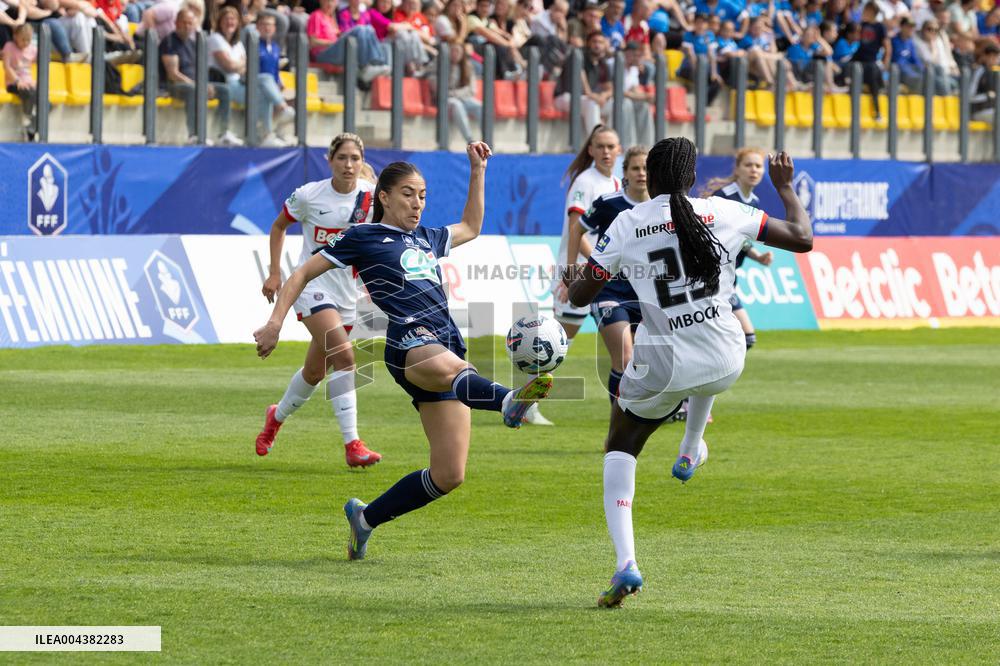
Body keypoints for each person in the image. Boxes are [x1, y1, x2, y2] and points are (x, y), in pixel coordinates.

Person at [253, 142, 555, 560]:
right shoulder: (363, 236)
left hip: (446, 338)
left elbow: (471, 225)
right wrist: (275, 323)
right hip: (408, 339)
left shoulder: (429, 238)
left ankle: (365, 519)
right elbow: (303, 272)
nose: (417, 203)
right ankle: (507, 400)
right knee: (452, 369)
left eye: (423, 195)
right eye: (409, 194)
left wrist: (477, 170)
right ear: (384, 196)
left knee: (449, 475)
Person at [564, 138, 812, 608]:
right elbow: (802, 238)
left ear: (650, 177)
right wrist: (785, 187)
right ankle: (690, 446)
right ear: (692, 176)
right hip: (727, 356)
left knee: (620, 444)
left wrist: (577, 277)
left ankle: (626, 563)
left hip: (665, 366)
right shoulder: (722, 211)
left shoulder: (628, 222)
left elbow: (580, 297)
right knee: (703, 372)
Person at [256, 133, 383, 468]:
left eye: (355, 158)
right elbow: (279, 226)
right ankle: (353, 444)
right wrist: (273, 273)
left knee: (314, 372)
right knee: (345, 359)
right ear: (330, 160)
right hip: (312, 286)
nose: (348, 165)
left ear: (362, 161)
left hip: (347, 293)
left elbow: (381, 240)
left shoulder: (371, 199)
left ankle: (276, 417)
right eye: (342, 158)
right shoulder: (309, 195)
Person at [577, 145, 649, 409]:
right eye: (636, 168)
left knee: (648, 360)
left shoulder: (659, 208)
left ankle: (648, 410)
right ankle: (619, 418)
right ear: (626, 173)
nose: (642, 173)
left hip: (644, 294)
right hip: (607, 291)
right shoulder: (609, 203)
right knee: (625, 358)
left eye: (646, 168)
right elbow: (578, 230)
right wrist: (588, 266)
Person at [552, 124, 621, 342]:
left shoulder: (617, 184)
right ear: (591, 150)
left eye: (610, 147)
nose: (606, 152)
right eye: (600, 147)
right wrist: (599, 261)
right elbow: (576, 229)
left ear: (619, 149)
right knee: (558, 344)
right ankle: (534, 375)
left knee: (626, 339)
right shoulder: (585, 181)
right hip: (581, 270)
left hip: (604, 271)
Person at [161, 7, 242, 146]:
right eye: (184, 22)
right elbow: (173, 74)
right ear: (176, 23)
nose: (187, 26)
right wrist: (199, 86)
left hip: (194, 83)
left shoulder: (193, 44)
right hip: (174, 86)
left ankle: (223, 133)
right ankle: (194, 135)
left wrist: (205, 84)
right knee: (193, 91)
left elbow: (200, 70)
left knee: (225, 90)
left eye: (190, 23)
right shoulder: (170, 41)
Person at [209, 6, 288, 147]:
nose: (229, 22)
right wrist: (240, 65)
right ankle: (281, 108)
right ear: (219, 22)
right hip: (224, 84)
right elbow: (228, 66)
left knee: (264, 92)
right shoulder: (215, 38)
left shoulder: (238, 43)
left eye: (233, 19)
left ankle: (265, 135)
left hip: (239, 82)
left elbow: (247, 66)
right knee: (265, 79)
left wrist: (238, 65)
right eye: (226, 19)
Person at [307, 0, 389, 84]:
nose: (330, 4)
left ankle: (376, 64)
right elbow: (312, 42)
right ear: (321, 2)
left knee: (369, 29)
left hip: (334, 50)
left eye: (332, 2)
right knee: (360, 29)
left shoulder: (332, 18)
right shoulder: (316, 15)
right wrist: (332, 43)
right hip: (321, 54)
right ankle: (365, 67)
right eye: (327, 1)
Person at [2, 22, 35, 141]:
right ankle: (27, 120)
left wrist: (33, 81)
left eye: (28, 40)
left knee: (45, 100)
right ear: (15, 36)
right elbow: (7, 67)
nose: (26, 43)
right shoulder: (9, 46)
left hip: (28, 82)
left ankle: (32, 123)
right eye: (23, 40)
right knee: (29, 92)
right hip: (14, 83)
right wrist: (17, 81)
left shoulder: (32, 48)